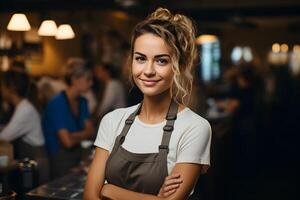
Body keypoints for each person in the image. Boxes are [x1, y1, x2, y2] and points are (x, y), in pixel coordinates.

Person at [84, 8, 212, 200]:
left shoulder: (195, 127)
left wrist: (109, 190)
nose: (148, 70)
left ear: (179, 66)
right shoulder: (112, 121)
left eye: (161, 61)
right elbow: (89, 196)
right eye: (141, 58)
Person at [42, 59, 95, 178]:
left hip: (78, 155)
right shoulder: (57, 103)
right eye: (88, 80)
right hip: (59, 158)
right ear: (75, 80)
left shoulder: (83, 102)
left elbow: (91, 132)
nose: (91, 83)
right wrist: (82, 135)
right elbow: (67, 142)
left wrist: (73, 135)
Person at [0, 70, 49, 183]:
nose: (1, 89)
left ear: (10, 88)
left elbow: (4, 137)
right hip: (32, 162)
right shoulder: (22, 106)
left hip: (36, 164)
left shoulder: (25, 109)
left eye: (2, 85)